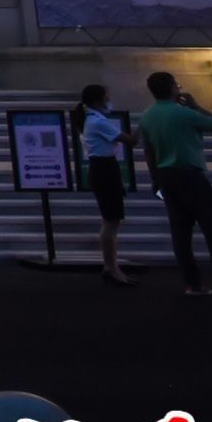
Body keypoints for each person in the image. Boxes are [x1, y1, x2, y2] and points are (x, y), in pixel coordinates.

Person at [139, 71, 212, 300]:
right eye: (177, 84)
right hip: (190, 176)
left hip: (166, 176)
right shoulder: (185, 114)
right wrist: (197, 105)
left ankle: (192, 284)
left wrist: (155, 180)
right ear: (172, 88)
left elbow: (148, 151)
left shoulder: (147, 116)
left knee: (180, 234)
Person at [78, 83, 134, 286]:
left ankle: (111, 265)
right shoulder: (98, 122)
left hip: (104, 168)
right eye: (106, 97)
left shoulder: (94, 120)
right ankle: (112, 266)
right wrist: (147, 124)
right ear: (96, 101)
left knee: (112, 219)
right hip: (104, 169)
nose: (109, 100)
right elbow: (130, 140)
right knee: (111, 219)